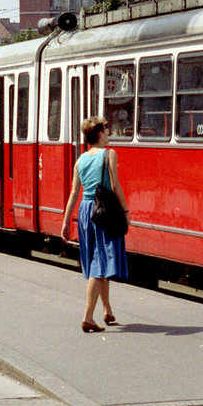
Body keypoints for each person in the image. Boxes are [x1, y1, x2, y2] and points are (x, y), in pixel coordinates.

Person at [60, 117, 129, 333]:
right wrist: (126, 212)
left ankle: (107, 310)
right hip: (104, 211)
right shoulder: (109, 154)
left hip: (85, 211)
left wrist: (65, 222)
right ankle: (88, 317)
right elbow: (115, 185)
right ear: (99, 134)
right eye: (106, 129)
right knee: (100, 263)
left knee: (98, 259)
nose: (109, 132)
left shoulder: (80, 160)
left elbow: (73, 193)